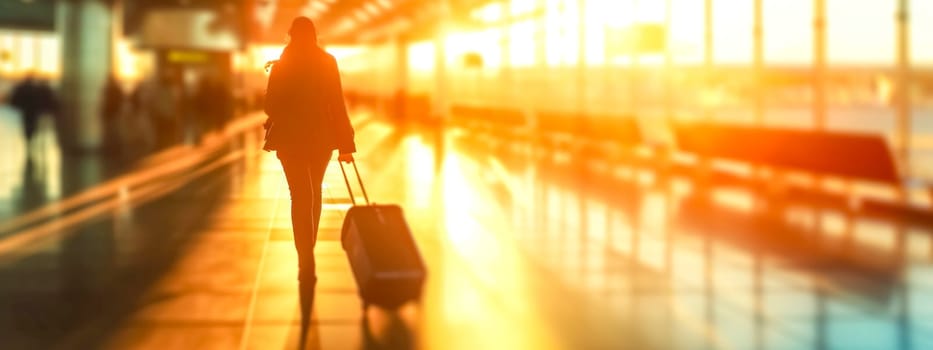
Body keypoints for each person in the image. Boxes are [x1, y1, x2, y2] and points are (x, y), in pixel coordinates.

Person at [263, 16, 356, 332]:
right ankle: (309, 248)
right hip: (321, 139)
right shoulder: (327, 61)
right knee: (313, 189)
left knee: (299, 194)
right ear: (314, 35)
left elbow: (270, 106)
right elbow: (337, 103)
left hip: (289, 139)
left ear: (290, 35)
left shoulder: (282, 64)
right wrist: (346, 144)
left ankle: (305, 257)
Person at [9, 72, 58, 150]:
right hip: (33, 110)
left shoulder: (21, 88)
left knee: (27, 124)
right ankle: (32, 138)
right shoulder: (36, 89)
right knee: (33, 124)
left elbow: (14, 99)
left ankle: (28, 139)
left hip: (25, 110)